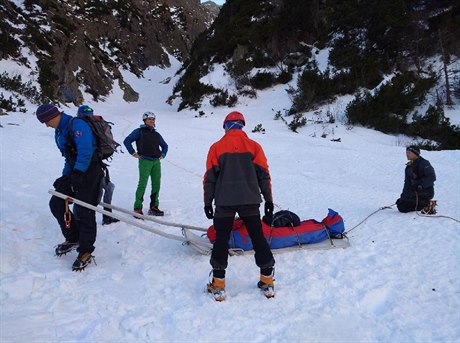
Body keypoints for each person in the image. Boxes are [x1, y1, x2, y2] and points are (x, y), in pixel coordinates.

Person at [203, 111, 276, 301]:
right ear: (242, 126)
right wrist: (268, 200)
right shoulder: (254, 146)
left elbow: (210, 178)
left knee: (221, 240)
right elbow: (264, 175)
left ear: (226, 126)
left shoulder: (216, 147)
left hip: (224, 202)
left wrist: (207, 202)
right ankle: (267, 280)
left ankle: (218, 285)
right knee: (258, 237)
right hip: (250, 200)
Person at [36, 103, 103, 271]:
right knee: (57, 203)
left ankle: (86, 250)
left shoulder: (77, 124)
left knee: (84, 209)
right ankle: (73, 237)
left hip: (90, 170)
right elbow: (68, 156)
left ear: (53, 116)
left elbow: (85, 151)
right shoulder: (58, 132)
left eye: (45, 121)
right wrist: (66, 177)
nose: (45, 124)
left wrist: (79, 173)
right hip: (75, 171)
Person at [77, 105, 119, 225]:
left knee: (103, 189)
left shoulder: (81, 127)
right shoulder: (96, 124)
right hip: (95, 163)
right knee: (104, 189)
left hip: (91, 164)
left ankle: (101, 217)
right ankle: (97, 217)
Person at [123, 111, 168, 216]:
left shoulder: (156, 134)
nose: (152, 121)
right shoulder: (139, 131)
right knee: (142, 184)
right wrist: (133, 153)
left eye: (153, 119)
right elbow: (127, 141)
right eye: (149, 119)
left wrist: (163, 154)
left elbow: (165, 146)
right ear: (145, 120)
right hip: (145, 161)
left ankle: (154, 207)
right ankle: (137, 208)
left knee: (156, 184)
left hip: (156, 162)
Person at [396, 146, 436, 213]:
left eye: (409, 152)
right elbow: (407, 183)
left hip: (425, 191)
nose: (407, 154)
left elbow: (431, 177)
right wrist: (403, 196)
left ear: (415, 153)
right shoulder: (409, 166)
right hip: (414, 192)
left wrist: (421, 185)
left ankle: (427, 204)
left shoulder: (424, 163)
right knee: (401, 204)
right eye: (406, 152)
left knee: (404, 207)